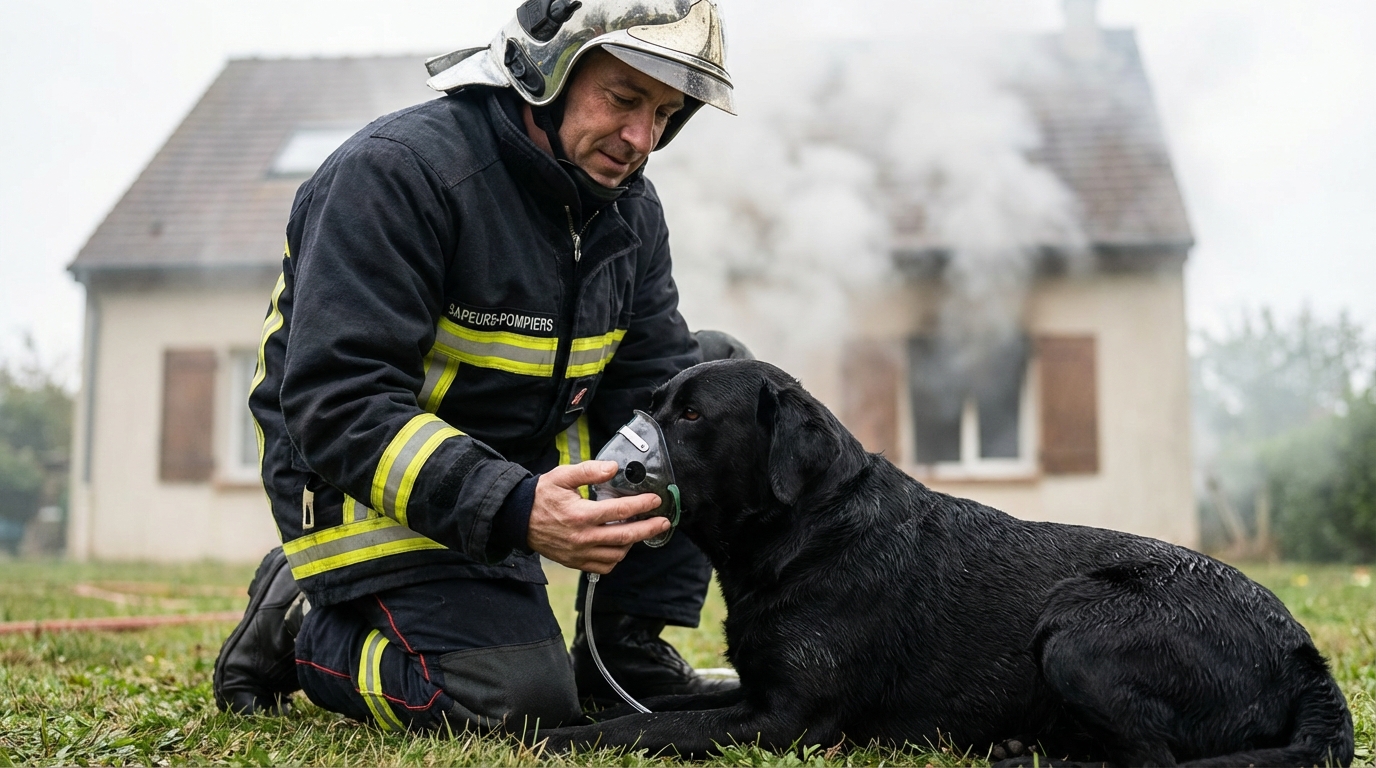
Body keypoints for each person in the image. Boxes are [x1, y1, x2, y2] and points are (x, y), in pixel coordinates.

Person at [211, 0, 748, 733]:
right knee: (513, 703)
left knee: (714, 391)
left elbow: (648, 383)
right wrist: (518, 508)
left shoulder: (630, 211)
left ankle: (624, 651)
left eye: (664, 113)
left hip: (512, 482)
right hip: (360, 487)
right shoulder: (397, 175)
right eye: (623, 99)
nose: (640, 139)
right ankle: (307, 626)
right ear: (544, 73)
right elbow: (338, 404)